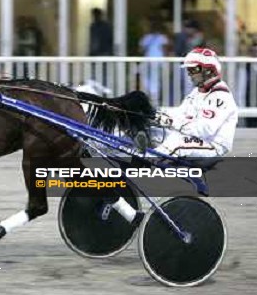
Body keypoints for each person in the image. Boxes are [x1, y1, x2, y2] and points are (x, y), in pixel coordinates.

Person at [102, 47, 238, 224]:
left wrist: (168, 122)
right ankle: (111, 151)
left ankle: (144, 158)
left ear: (208, 70)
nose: (189, 74)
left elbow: (204, 129)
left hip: (212, 146)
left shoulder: (220, 97)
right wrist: (155, 115)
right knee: (145, 130)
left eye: (193, 70)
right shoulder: (198, 92)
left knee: (175, 141)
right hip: (191, 138)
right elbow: (180, 115)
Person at [139, 17, 170, 104]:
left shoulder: (146, 37)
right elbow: (165, 50)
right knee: (155, 80)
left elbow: (141, 50)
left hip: (148, 60)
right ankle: (154, 99)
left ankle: (150, 98)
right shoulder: (162, 37)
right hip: (158, 61)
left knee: (147, 79)